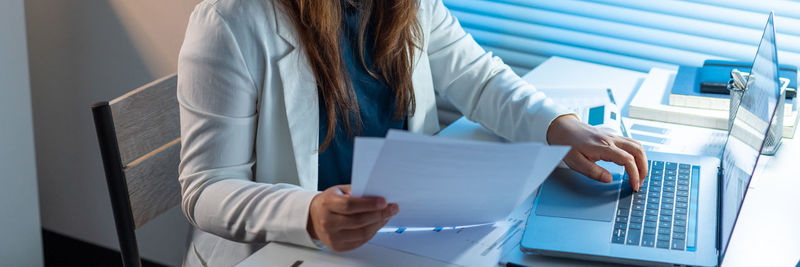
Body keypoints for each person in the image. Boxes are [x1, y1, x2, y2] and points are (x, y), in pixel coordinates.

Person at [177, 0, 648, 265]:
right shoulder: (230, 22)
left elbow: (479, 78)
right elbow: (205, 189)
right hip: (286, 250)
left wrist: (559, 128)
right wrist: (309, 213)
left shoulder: (410, 5)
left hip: (397, 238)